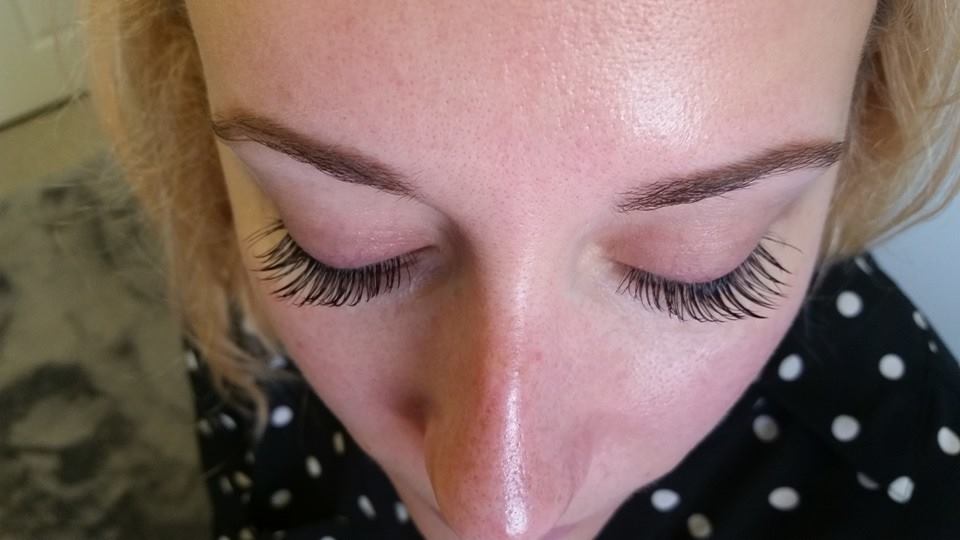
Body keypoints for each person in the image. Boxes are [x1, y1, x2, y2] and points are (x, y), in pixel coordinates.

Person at [83, 1, 960, 538]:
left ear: (868, 111)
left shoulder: (902, 484)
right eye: (346, 250)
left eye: (701, 268)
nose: (498, 511)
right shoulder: (238, 277)